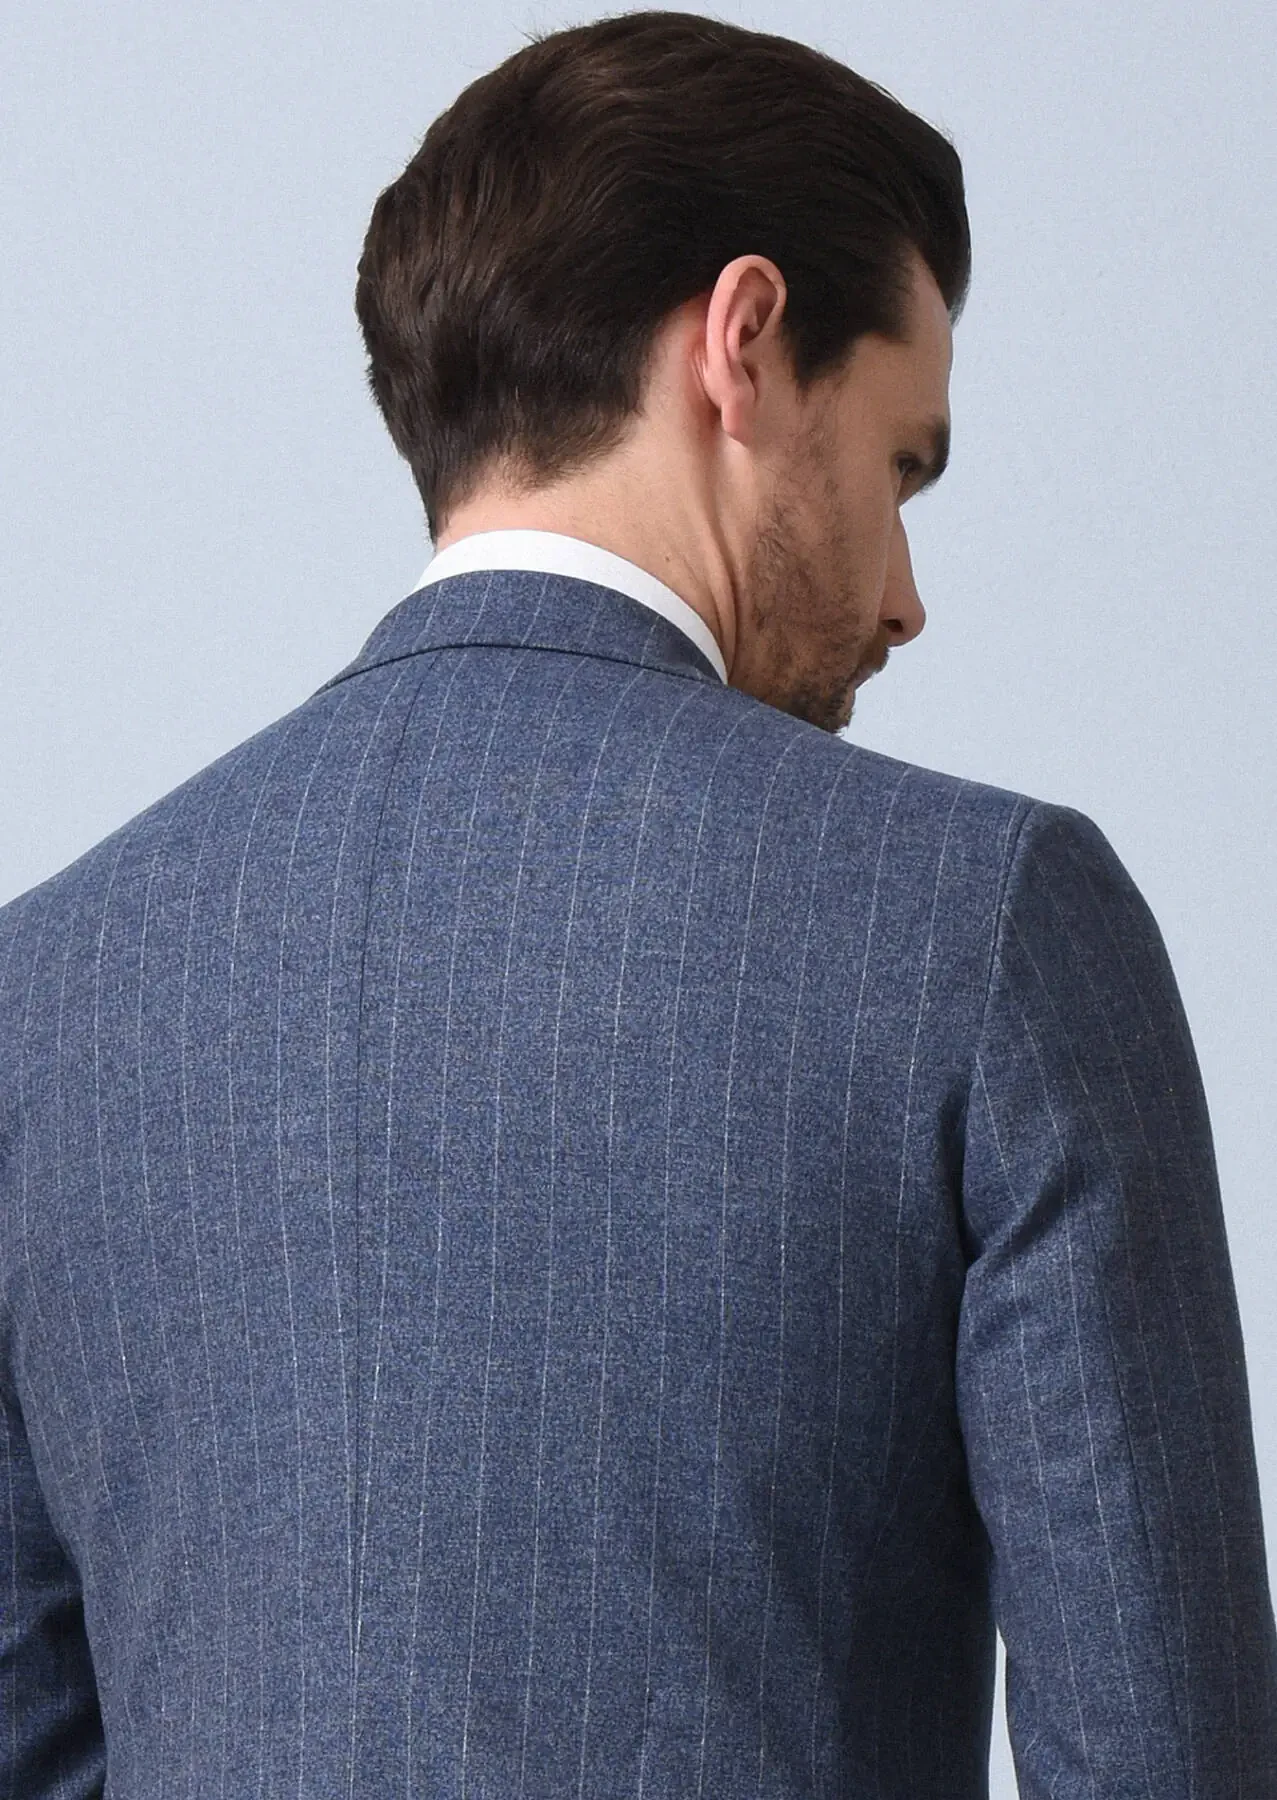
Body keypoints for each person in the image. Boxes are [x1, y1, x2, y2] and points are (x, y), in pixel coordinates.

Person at [2, 8, 1273, 1795]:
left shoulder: (46, 987)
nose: (905, 596)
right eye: (901, 463)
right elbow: (1167, 1755)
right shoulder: (986, 922)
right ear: (743, 342)